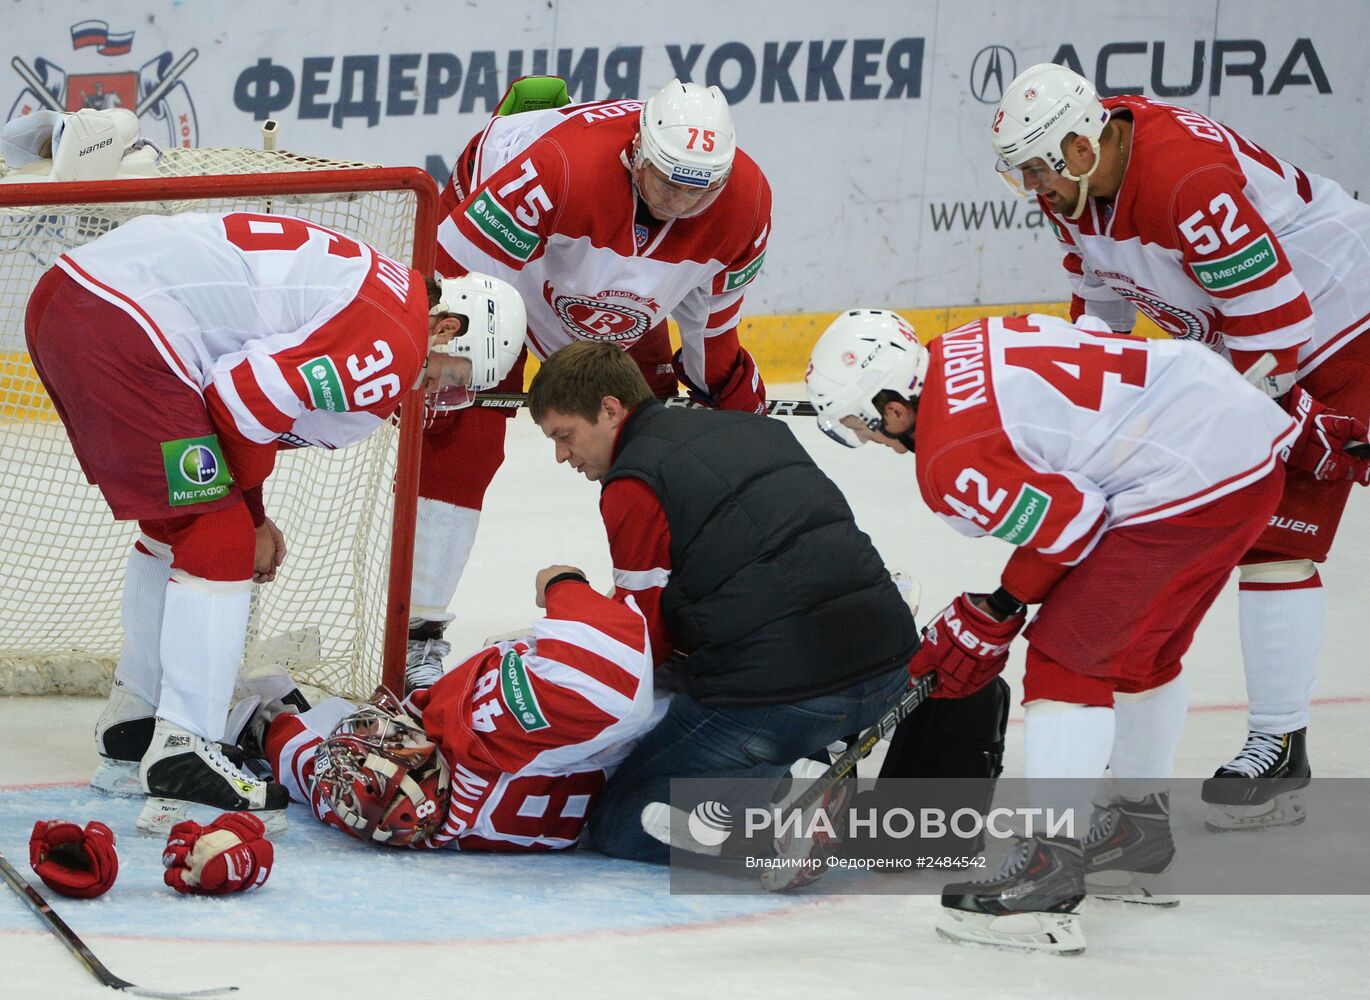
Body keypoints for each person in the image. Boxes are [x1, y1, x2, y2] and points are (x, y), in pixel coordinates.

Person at [806, 309, 1296, 954]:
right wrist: (998, 607)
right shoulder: (963, 340)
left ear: (893, 407)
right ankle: (1136, 837)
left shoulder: (948, 459)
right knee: (1143, 656)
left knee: (1066, 664)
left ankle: (1048, 876)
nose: (870, 439)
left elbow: (1070, 523)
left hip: (1179, 483)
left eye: (859, 424)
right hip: (1239, 454)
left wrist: (998, 608)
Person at [24, 208, 522, 834]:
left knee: (173, 526)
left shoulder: (384, 286)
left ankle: (135, 723)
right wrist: (254, 517)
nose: (437, 391)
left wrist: (252, 507)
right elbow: (242, 399)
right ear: (446, 327)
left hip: (75, 302)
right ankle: (185, 750)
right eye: (453, 373)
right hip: (123, 326)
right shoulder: (398, 339)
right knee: (221, 536)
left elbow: (245, 390)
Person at [990, 63, 1370, 829]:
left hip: (1343, 323)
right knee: (1270, 537)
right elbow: (1100, 313)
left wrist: (1284, 419)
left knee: (1271, 527)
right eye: (1021, 173)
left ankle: (1278, 741)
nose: (1034, 189)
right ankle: (1281, 743)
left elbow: (1276, 328)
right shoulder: (1076, 185)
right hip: (1272, 349)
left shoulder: (1181, 179)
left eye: (1038, 169)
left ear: (1079, 144)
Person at [406, 75, 774, 692]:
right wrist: (433, 359)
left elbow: (712, 337)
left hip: (612, 296)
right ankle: (415, 632)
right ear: (637, 151)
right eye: (668, 182)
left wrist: (738, 422)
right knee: (461, 430)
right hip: (505, 261)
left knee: (656, 448)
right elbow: (448, 288)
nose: (681, 204)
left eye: (699, 190)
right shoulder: (554, 168)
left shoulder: (747, 205)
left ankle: (668, 616)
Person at [525, 340, 921, 865]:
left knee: (620, 822)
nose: (561, 455)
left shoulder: (634, 480)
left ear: (610, 409)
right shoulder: (753, 426)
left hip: (785, 699)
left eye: (565, 435)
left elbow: (641, 647)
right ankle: (807, 769)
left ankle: (776, 817)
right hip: (893, 671)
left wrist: (567, 590)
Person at [260, 565, 662, 850]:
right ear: (420, 756)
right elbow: (613, 671)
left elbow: (311, 766)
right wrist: (563, 584)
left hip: (612, 796)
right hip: (673, 735)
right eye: (393, 735)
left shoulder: (393, 817)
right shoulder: (484, 729)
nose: (389, 723)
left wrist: (269, 729)